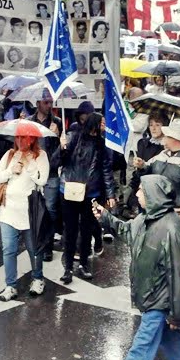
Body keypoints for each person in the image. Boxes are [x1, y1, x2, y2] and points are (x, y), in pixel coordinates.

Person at [92, 175, 180, 360]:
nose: (138, 193)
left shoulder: (171, 229)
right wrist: (106, 217)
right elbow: (127, 231)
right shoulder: (145, 218)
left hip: (159, 302)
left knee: (140, 351)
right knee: (172, 344)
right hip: (151, 297)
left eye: (141, 189)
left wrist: (178, 315)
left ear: (153, 195)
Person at [0, 130, 50, 300]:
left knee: (34, 248)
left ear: (32, 139)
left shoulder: (41, 155)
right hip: (8, 210)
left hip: (30, 211)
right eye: (17, 136)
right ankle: (10, 286)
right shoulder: (9, 154)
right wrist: (11, 171)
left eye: (24, 137)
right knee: (8, 249)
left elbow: (42, 180)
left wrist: (28, 164)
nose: (20, 140)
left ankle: (38, 279)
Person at [59, 113, 117, 281]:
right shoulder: (73, 137)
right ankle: (68, 268)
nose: (104, 126)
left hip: (91, 193)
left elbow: (106, 170)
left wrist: (110, 194)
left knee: (86, 231)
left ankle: (84, 264)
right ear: (94, 123)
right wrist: (61, 148)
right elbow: (58, 162)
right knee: (70, 231)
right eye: (102, 123)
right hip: (69, 191)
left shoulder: (102, 144)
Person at [133, 119, 180, 242]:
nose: (164, 137)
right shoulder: (163, 154)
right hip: (157, 215)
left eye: (167, 135)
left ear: (176, 138)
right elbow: (149, 169)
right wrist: (142, 166)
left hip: (178, 219)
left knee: (176, 257)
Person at [28, 98, 63, 259]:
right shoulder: (29, 121)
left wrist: (56, 136)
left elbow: (62, 149)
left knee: (50, 208)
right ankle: (39, 242)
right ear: (38, 104)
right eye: (45, 102)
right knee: (35, 208)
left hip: (51, 171)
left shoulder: (57, 122)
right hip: (34, 171)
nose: (49, 106)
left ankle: (48, 245)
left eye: (51, 102)